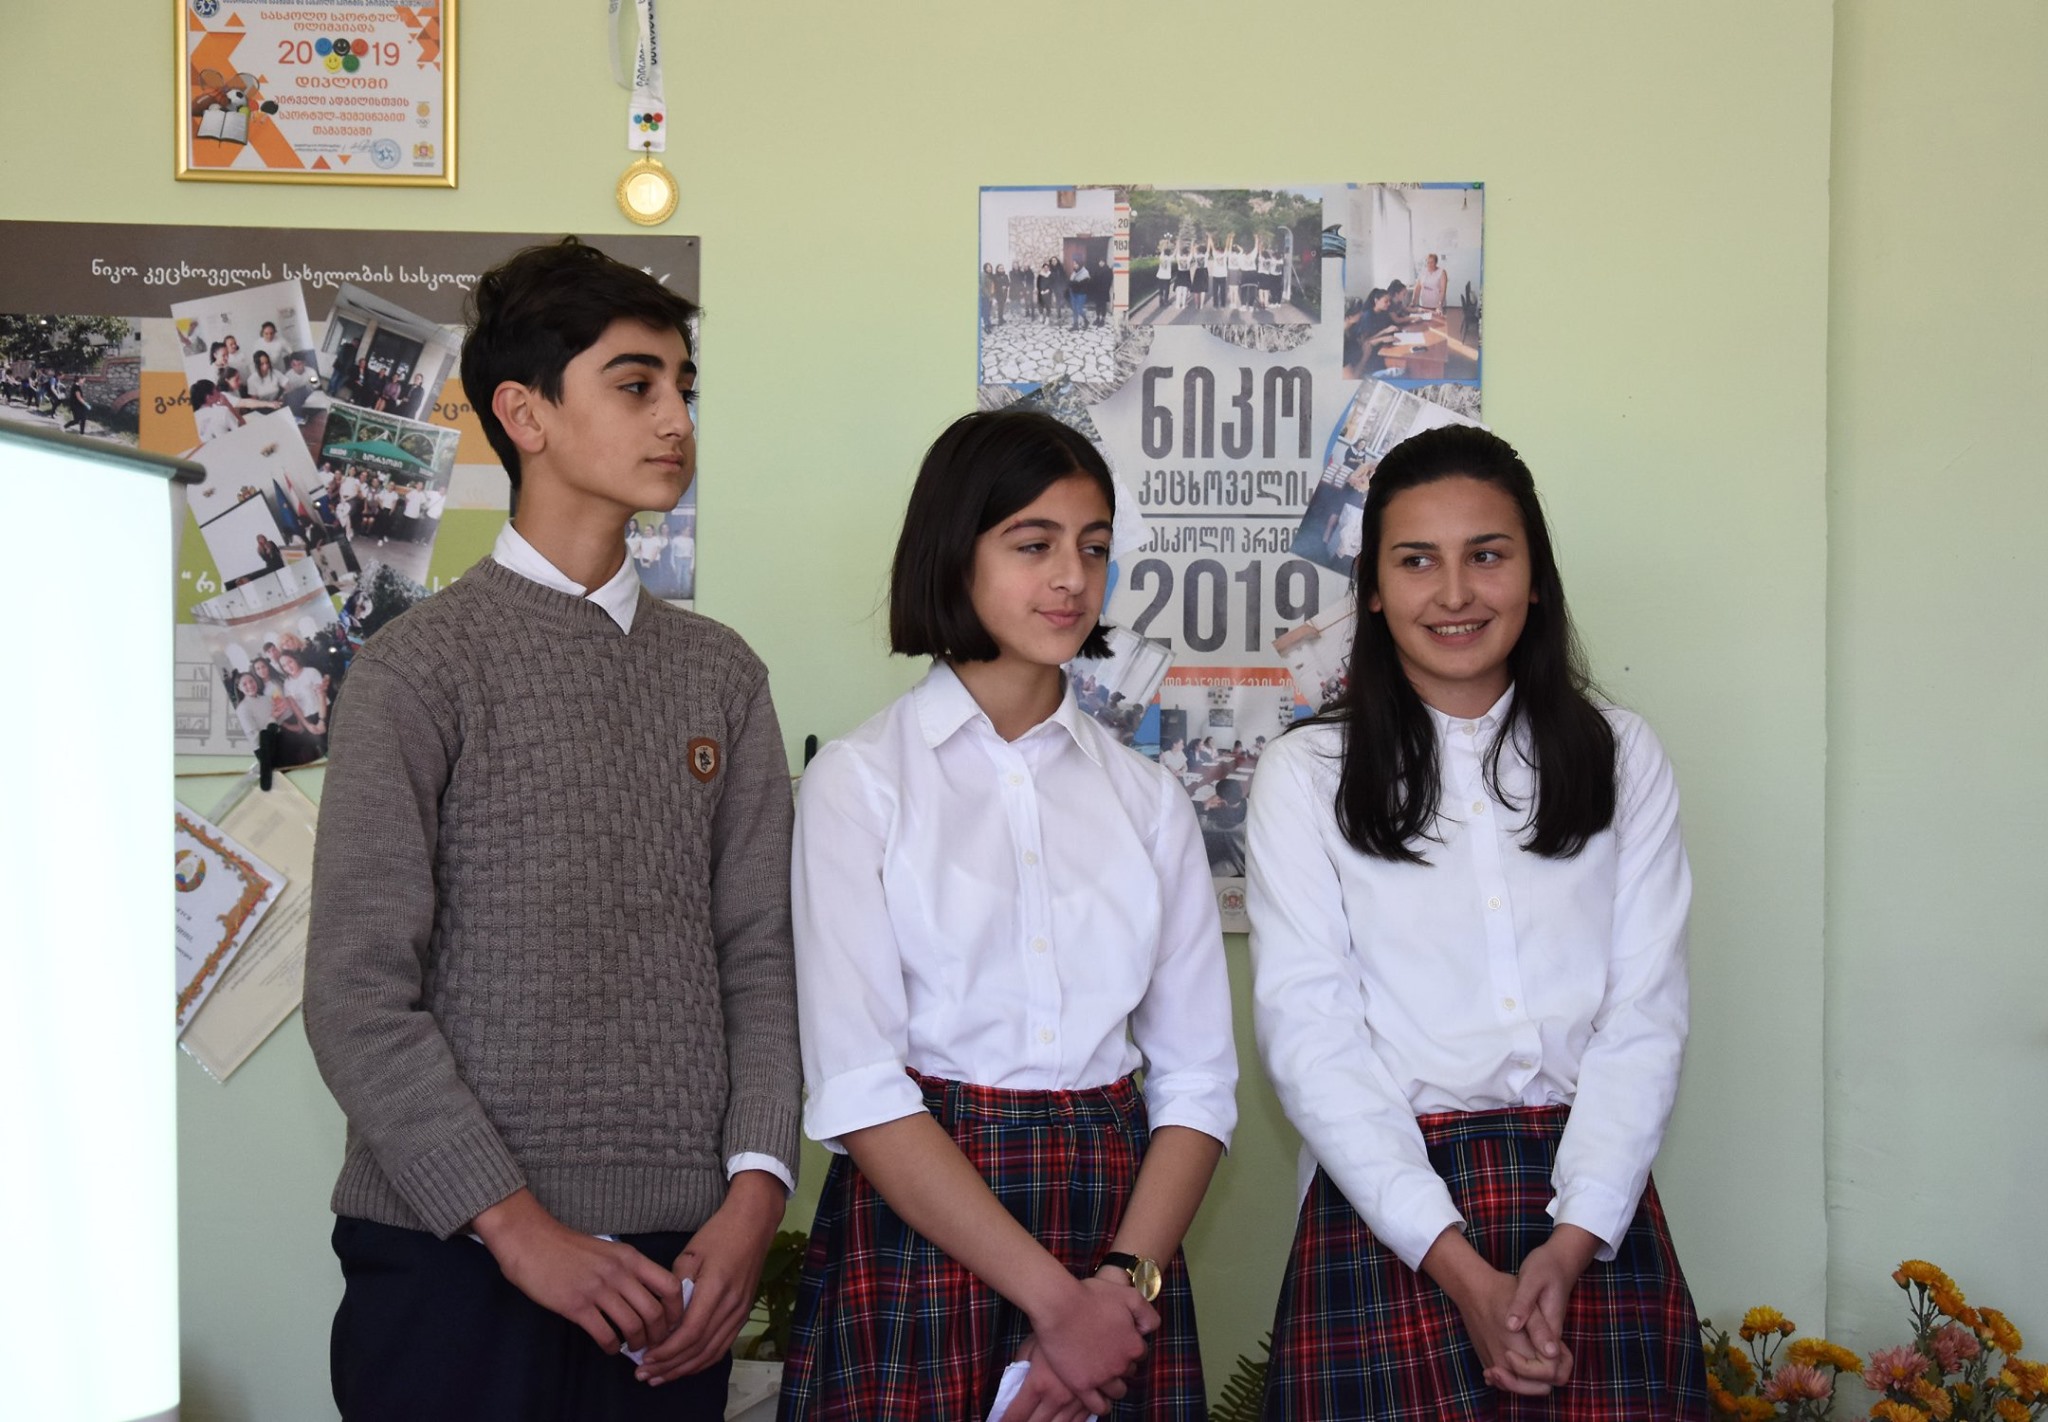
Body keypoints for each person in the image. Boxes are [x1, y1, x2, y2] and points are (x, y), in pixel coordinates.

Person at [303, 236, 801, 1421]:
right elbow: (357, 993)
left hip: (678, 1265)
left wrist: (753, 1201)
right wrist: (515, 1227)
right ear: (524, 414)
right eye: (635, 385)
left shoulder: (721, 674)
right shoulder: (416, 668)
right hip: (449, 1256)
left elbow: (763, 959)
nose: (674, 417)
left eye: (682, 386)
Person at [779, 409, 1237, 1422]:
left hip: (1115, 1231)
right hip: (923, 1222)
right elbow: (859, 1085)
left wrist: (1115, 1290)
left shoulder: (1147, 800)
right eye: (1033, 545)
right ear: (955, 552)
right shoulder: (860, 783)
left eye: (1094, 547)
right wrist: (1056, 1307)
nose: (1071, 578)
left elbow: (1198, 1081)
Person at [1246, 425, 1707, 1419]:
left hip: (1589, 1210)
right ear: (1373, 589)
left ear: (1534, 578)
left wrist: (1571, 1243)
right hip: (1391, 1210)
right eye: (1416, 561)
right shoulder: (1304, 776)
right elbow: (1310, 1036)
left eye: (1486, 556)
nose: (1454, 594)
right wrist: (1457, 1265)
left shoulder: (1620, 755)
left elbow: (1645, 1017)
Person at [190, 378, 240, 442]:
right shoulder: (222, 411)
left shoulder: (192, 419)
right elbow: (242, 429)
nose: (219, 392)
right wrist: (228, 404)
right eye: (216, 389)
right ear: (209, 397)